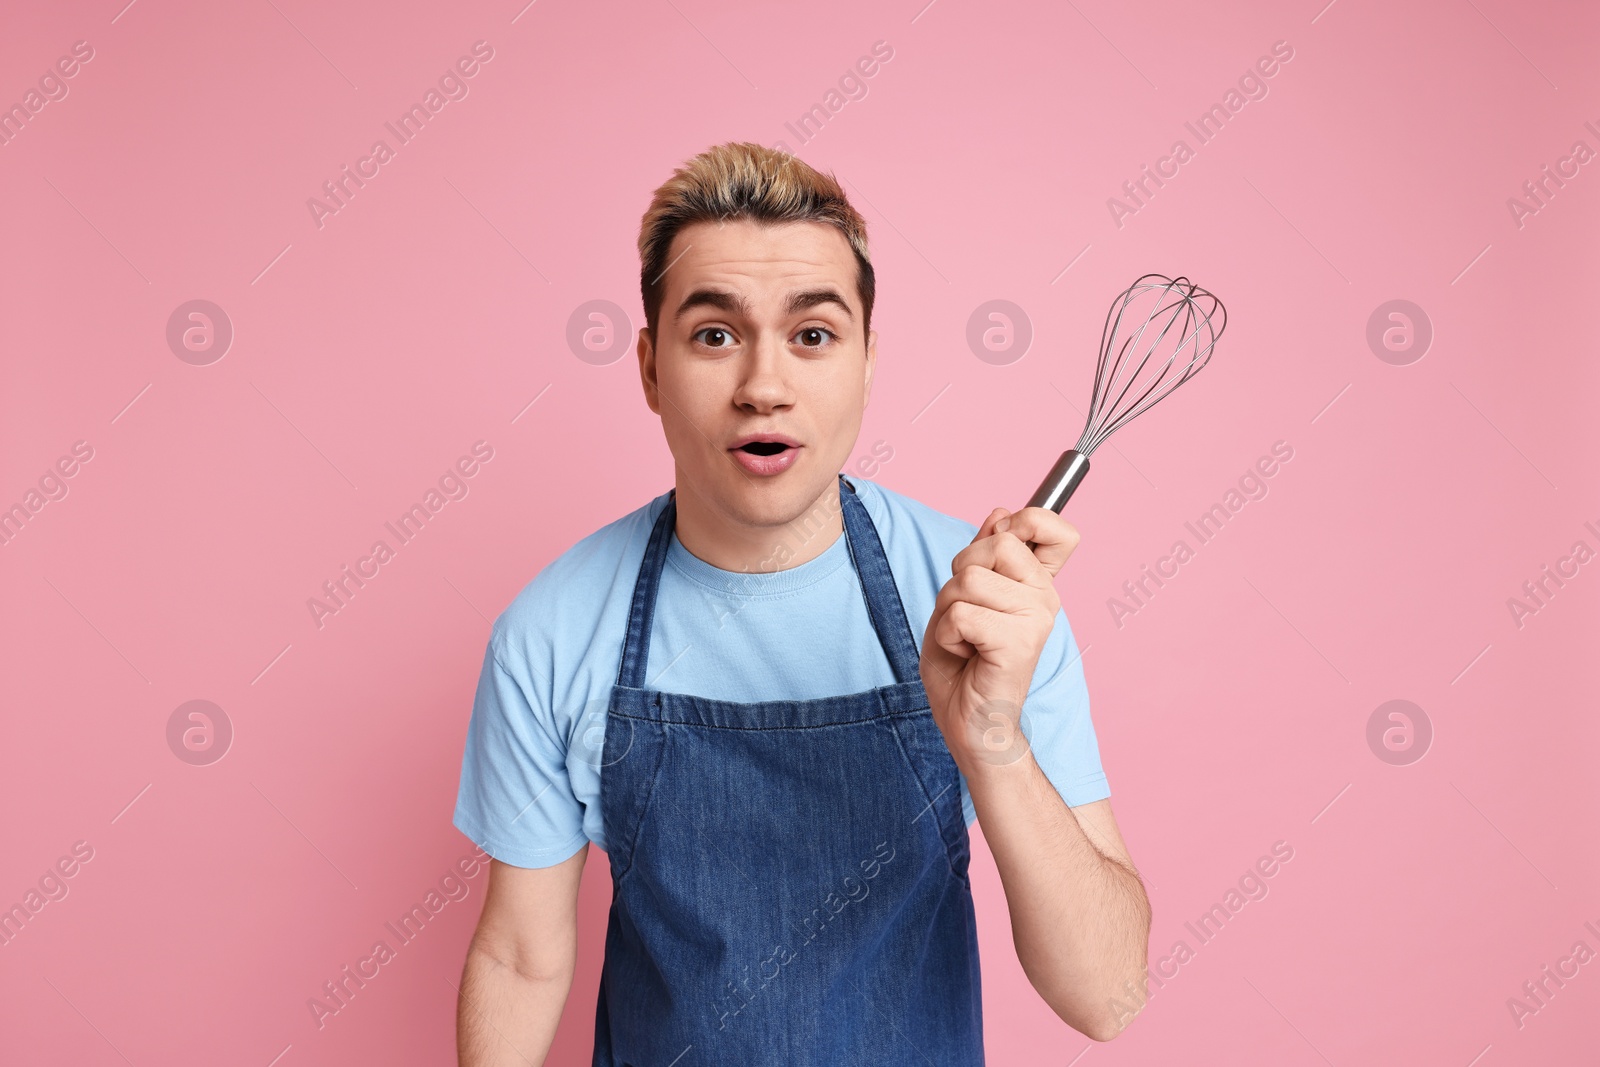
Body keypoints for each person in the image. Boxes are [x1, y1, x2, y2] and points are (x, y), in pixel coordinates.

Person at [451, 142, 1151, 1065]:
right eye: (714, 334)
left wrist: (989, 735)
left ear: (866, 363)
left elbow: (1106, 995)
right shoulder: (552, 629)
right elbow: (521, 958)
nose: (764, 386)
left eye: (813, 334)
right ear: (651, 368)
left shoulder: (988, 610)